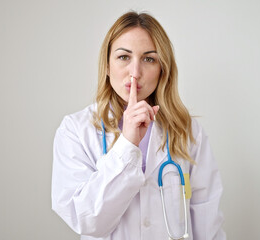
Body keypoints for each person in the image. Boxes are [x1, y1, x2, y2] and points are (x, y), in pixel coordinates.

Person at [51, 11, 225, 240]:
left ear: (163, 69)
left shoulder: (187, 131)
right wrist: (127, 143)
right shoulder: (75, 130)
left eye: (149, 59)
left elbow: (207, 221)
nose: (135, 73)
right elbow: (87, 220)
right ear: (106, 65)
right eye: (124, 57)